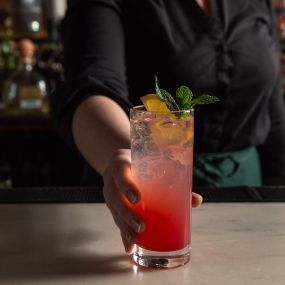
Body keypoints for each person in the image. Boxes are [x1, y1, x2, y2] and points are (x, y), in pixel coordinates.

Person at [52, 0, 285, 252]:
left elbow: (274, 116)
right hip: (145, 194)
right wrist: (134, 160)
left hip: (247, 206)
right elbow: (91, 89)